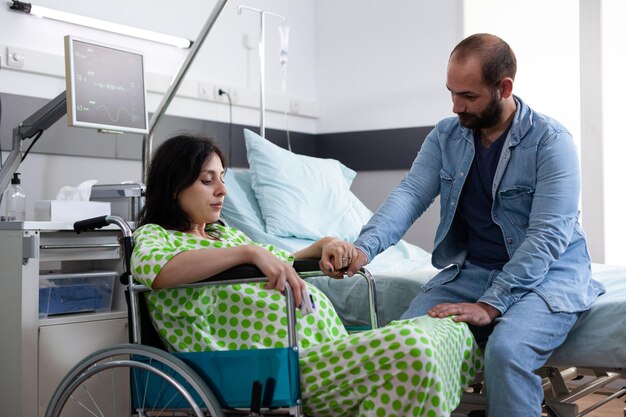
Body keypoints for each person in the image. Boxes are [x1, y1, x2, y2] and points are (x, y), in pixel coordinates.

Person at [323, 33, 605, 417]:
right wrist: (363, 248)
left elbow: (547, 236)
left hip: (549, 275)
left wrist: (491, 304)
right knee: (402, 342)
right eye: (452, 93)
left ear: (504, 87)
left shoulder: (551, 142)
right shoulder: (446, 135)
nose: (456, 106)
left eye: (468, 97)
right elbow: (409, 195)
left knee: (506, 352)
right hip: (474, 271)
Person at [130, 133, 481, 417]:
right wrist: (251, 251)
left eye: (222, 178)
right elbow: (160, 272)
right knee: (411, 350)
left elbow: (283, 261)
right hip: (272, 368)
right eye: (208, 181)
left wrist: (323, 245)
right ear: (174, 187)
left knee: (446, 327)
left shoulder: (222, 235)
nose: (222, 189)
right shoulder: (155, 236)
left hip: (324, 348)